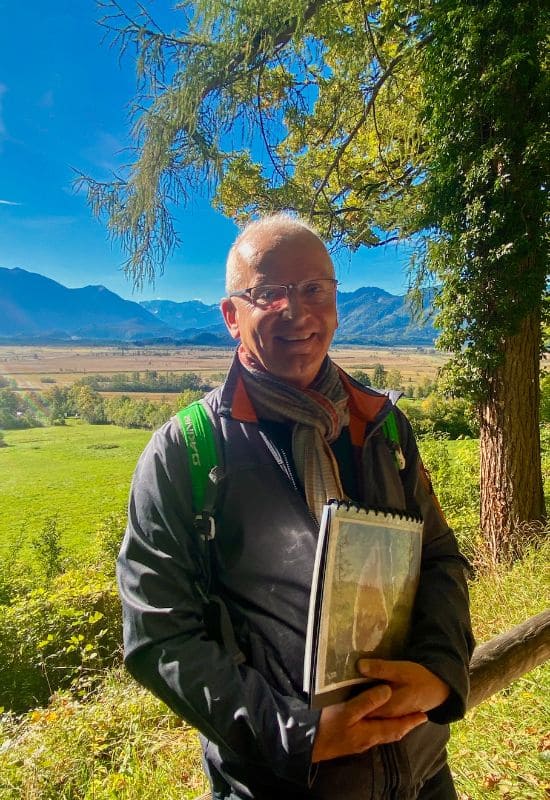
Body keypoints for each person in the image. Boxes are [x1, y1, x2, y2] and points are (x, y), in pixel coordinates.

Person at [117, 214, 474, 799]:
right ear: (232, 316)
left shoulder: (381, 427)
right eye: (269, 293)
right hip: (280, 785)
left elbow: (436, 557)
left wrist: (438, 673)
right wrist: (300, 736)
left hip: (419, 773)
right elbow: (160, 637)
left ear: (336, 301)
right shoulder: (186, 453)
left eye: (314, 289)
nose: (296, 310)